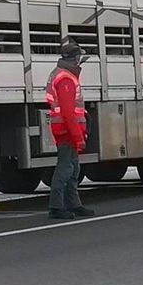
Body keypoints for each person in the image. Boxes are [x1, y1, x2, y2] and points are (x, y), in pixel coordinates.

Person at [45, 39, 95, 220]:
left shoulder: (64, 74)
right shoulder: (66, 79)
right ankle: (56, 207)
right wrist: (78, 136)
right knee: (66, 168)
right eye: (79, 57)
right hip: (66, 131)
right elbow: (67, 112)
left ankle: (74, 205)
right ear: (74, 59)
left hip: (66, 130)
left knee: (73, 168)